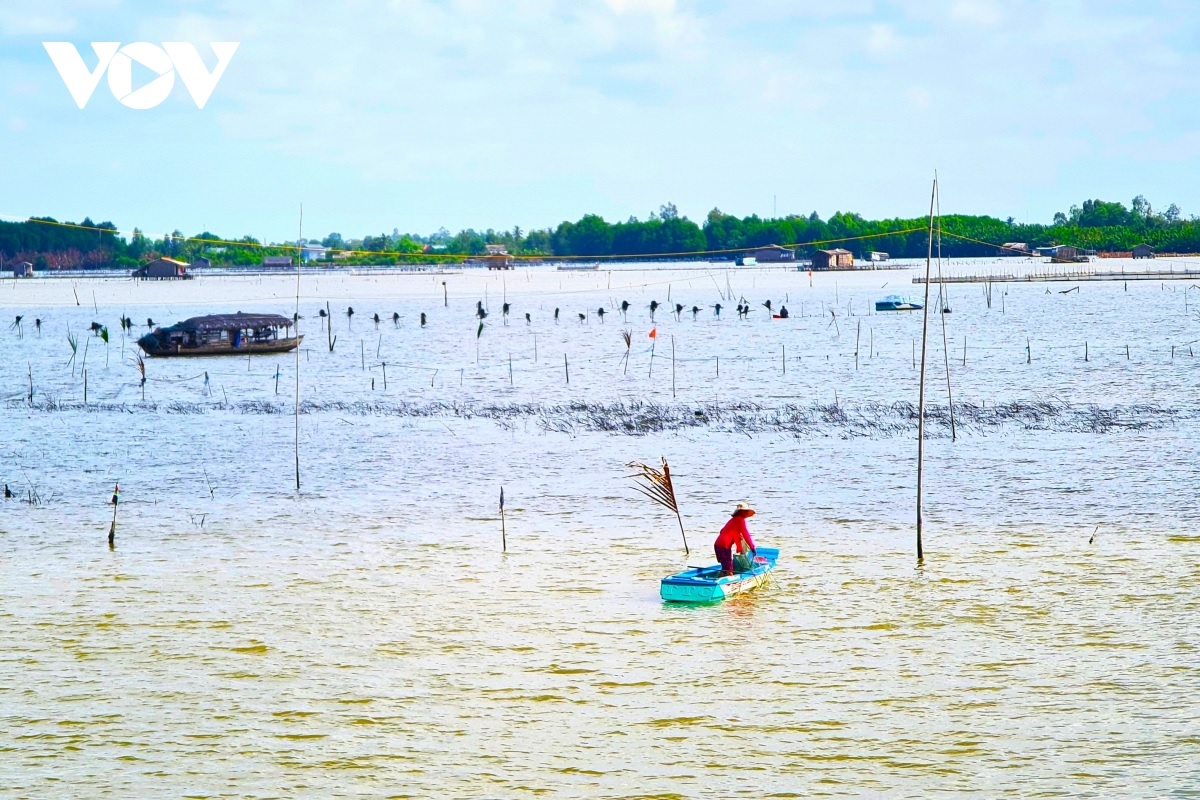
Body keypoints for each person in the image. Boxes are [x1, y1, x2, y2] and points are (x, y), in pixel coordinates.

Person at [715, 502, 757, 576]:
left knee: (725, 568)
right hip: (724, 546)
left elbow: (722, 531)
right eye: (745, 511)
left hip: (717, 545)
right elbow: (746, 534)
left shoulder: (733, 520)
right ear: (742, 512)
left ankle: (718, 579)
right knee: (729, 569)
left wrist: (736, 536)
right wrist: (752, 547)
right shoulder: (740, 520)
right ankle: (728, 584)